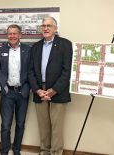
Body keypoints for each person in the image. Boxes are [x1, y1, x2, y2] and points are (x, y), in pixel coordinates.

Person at [28, 16, 73, 155]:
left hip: (58, 91)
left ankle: (56, 152)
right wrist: (37, 89)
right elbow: (30, 71)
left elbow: (68, 70)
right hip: (39, 91)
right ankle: (45, 151)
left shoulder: (65, 44)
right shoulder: (35, 46)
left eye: (49, 25)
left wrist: (54, 90)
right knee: (43, 126)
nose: (46, 28)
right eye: (43, 26)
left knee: (57, 127)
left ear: (55, 28)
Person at [0, 24, 31, 155]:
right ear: (7, 35)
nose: (12, 36)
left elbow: (31, 70)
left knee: (20, 123)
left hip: (23, 92)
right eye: (10, 33)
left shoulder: (28, 50)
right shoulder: (0, 51)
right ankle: (4, 150)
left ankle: (16, 149)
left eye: (15, 33)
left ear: (20, 35)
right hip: (7, 92)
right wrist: (1, 87)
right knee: (5, 125)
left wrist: (29, 87)